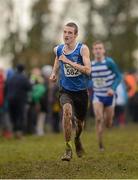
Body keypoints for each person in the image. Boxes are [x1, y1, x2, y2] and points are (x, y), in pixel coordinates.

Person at [50, 22, 91, 161]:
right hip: (65, 90)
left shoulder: (82, 49)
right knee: (67, 112)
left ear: (75, 35)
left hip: (81, 91)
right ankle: (68, 149)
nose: (66, 35)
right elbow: (57, 59)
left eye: (70, 33)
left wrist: (69, 62)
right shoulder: (58, 49)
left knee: (80, 123)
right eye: (65, 32)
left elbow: (88, 70)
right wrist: (54, 72)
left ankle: (77, 139)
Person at [91, 41, 122, 151]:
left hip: (109, 96)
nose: (98, 51)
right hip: (97, 96)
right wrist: (89, 86)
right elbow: (89, 80)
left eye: (100, 48)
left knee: (108, 123)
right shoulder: (91, 65)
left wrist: (112, 88)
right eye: (96, 49)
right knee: (99, 118)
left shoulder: (109, 62)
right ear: (93, 51)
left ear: (103, 50)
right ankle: (100, 145)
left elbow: (119, 76)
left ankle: (108, 122)